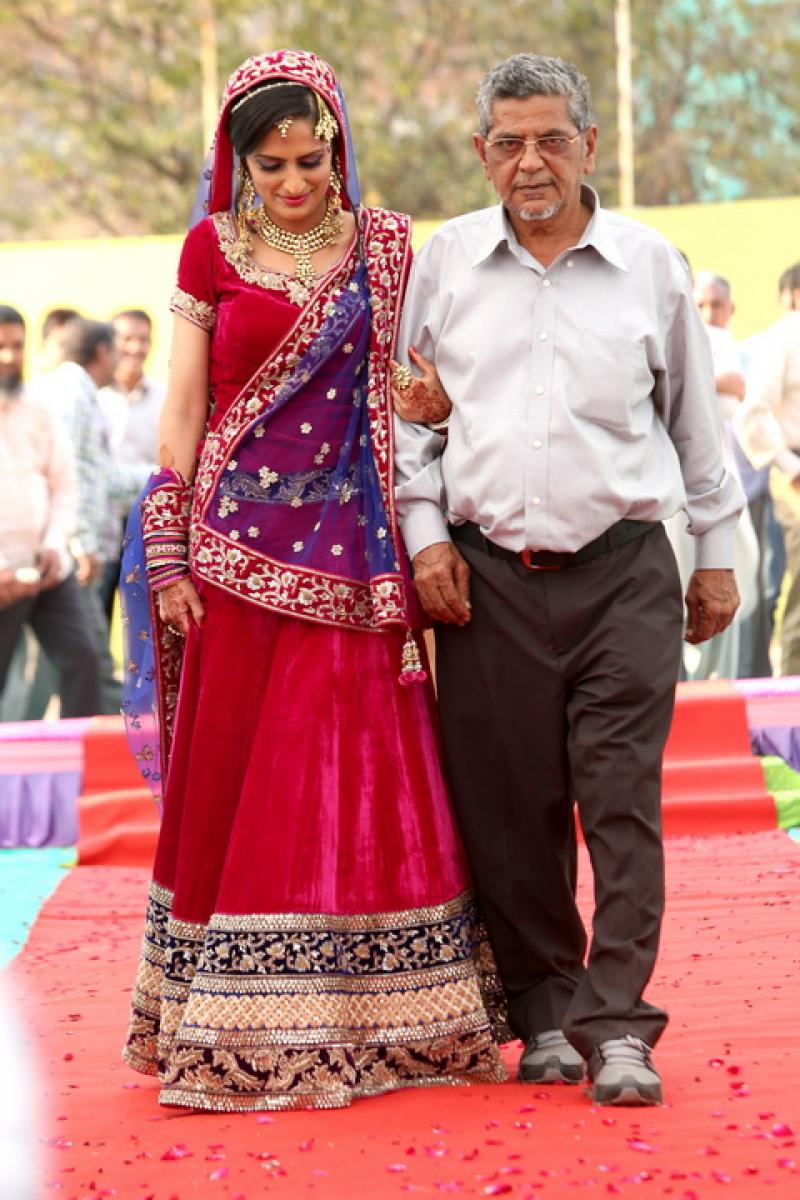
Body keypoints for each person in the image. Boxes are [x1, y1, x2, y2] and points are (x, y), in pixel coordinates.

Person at [120, 49, 507, 1113]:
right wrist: (166, 547)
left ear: (337, 148)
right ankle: (233, 1019)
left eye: (311, 161)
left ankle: (389, 1020)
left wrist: (430, 406)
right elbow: (185, 406)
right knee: (243, 780)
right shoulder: (210, 248)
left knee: (357, 777)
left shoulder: (386, 247)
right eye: (272, 165)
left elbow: (418, 388)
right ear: (238, 163)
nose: (294, 183)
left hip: (354, 563)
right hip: (234, 561)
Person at [393, 53, 743, 1107]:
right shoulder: (445, 264)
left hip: (625, 571)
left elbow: (694, 420)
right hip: (485, 582)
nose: (531, 162)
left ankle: (619, 1023)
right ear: (480, 153)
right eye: (508, 143)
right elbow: (407, 423)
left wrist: (717, 556)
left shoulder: (648, 265)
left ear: (588, 145)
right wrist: (426, 538)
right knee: (510, 807)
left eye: (551, 139)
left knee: (620, 799)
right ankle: (545, 1009)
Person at [0, 305, 101, 717]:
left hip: (46, 568)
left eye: (17, 345)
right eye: (0, 346)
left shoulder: (36, 408)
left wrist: (56, 544)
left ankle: (83, 754)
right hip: (3, 576)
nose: (9, 356)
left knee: (83, 659)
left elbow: (64, 485)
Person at [663, 272, 759, 680]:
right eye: (700, 303)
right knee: (668, 596)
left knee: (723, 588)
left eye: (715, 304)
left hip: (715, 484)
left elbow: (735, 393)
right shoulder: (654, 332)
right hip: (665, 499)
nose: (707, 312)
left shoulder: (717, 341)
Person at [35, 319, 122, 714]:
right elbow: (69, 474)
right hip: (68, 550)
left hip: (61, 545)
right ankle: (116, 744)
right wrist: (81, 541)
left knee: (61, 663)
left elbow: (100, 476)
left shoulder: (75, 391)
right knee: (89, 658)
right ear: (102, 351)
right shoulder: (72, 393)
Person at [735, 262, 800, 673]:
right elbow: (752, 415)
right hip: (795, 471)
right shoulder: (785, 337)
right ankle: (793, 687)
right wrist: (791, 468)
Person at [98, 309, 165, 622]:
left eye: (143, 339)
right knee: (94, 621)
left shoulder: (165, 399)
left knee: (142, 625)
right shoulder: (94, 397)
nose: (136, 348)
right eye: (127, 339)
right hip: (101, 525)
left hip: (145, 527)